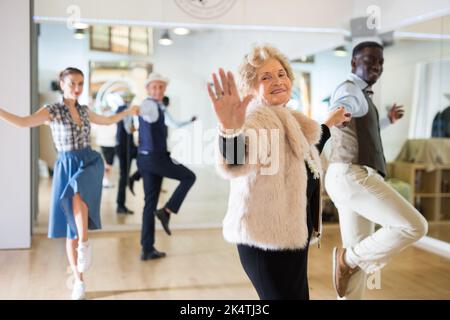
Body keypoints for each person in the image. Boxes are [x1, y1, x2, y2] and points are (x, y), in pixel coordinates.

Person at [207, 45, 351, 300]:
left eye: (281, 74)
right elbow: (238, 162)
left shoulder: (287, 118)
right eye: (266, 77)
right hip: (266, 243)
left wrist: (329, 121)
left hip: (292, 237)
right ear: (251, 88)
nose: (278, 81)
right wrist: (229, 129)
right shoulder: (258, 120)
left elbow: (306, 147)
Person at [0, 67, 138, 300]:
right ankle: (79, 279)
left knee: (79, 200)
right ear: (62, 84)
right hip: (67, 164)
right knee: (70, 230)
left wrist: (128, 112)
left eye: (80, 83)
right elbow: (24, 123)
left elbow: (105, 120)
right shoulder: (51, 111)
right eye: (72, 83)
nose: (77, 88)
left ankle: (84, 245)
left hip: (89, 162)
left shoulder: (84, 110)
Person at [324, 41, 428, 300]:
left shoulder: (363, 95)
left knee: (359, 248)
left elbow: (362, 133)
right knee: (415, 226)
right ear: (353, 63)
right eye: (370, 60)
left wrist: (387, 121)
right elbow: (340, 110)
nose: (377, 67)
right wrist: (338, 113)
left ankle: (350, 261)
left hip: (347, 177)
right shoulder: (349, 91)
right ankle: (347, 259)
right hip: (351, 175)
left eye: (380, 62)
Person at [136, 73, 197, 261]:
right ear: (147, 89)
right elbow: (141, 110)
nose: (157, 90)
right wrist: (133, 113)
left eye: (161, 87)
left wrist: (189, 121)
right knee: (189, 177)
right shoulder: (149, 105)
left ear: (165, 90)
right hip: (155, 158)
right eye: (154, 87)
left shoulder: (160, 107)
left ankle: (147, 249)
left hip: (145, 158)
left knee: (149, 204)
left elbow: (174, 123)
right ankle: (167, 211)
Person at [128, 95, 197, 195]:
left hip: (150, 150)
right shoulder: (161, 110)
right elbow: (175, 124)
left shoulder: (155, 110)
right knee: (184, 175)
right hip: (156, 150)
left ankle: (134, 177)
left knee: (153, 171)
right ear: (167, 103)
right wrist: (190, 121)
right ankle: (135, 177)